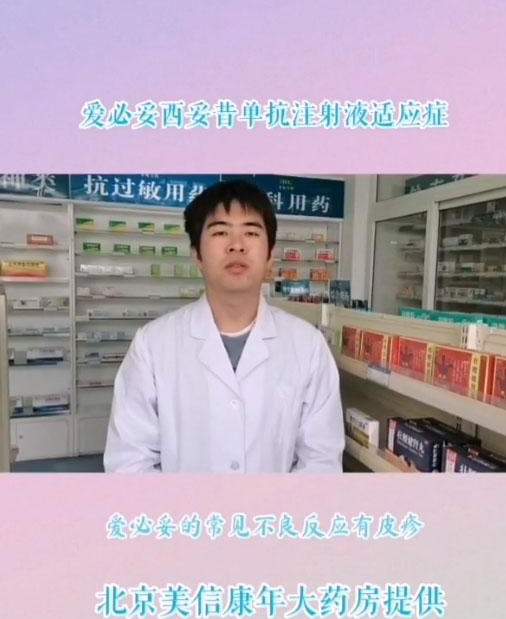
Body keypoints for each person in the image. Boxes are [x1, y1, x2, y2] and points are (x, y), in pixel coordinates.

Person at [104, 180, 345, 473]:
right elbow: (128, 462)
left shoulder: (308, 346)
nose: (236, 244)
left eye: (251, 232)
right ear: (197, 255)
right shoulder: (152, 345)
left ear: (270, 254)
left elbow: (321, 461)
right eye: (220, 232)